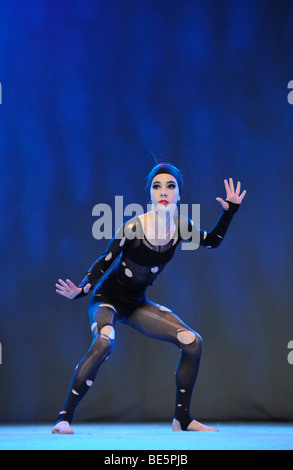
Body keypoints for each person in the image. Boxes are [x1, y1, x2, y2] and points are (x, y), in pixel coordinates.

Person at [52, 163, 246, 434]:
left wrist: (229, 212)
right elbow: (104, 261)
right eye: (157, 187)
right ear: (150, 195)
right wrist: (82, 289)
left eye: (170, 186)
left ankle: (183, 419)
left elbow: (212, 241)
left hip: (136, 303)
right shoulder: (134, 226)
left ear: (179, 195)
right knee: (105, 342)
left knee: (192, 342)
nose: (163, 192)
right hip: (107, 299)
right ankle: (64, 418)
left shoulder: (181, 227)